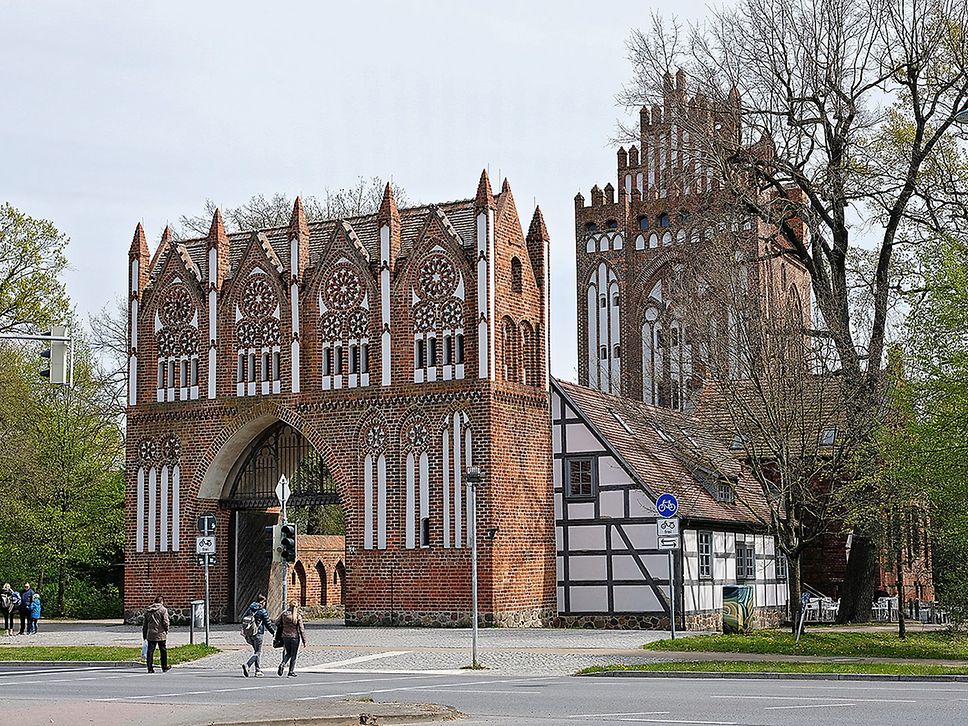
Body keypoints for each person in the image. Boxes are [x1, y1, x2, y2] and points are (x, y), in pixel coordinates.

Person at [241, 593, 275, 678]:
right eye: (264, 602)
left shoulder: (250, 608)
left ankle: (258, 670)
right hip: (258, 633)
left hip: (249, 633)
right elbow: (268, 624)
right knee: (258, 652)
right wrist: (273, 632)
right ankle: (248, 665)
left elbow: (243, 618)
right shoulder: (262, 611)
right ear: (262, 601)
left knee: (256, 651)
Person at [276, 601, 306, 678]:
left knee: (288, 653)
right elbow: (301, 629)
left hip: (285, 636)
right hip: (295, 636)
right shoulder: (297, 616)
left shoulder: (284, 614)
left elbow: (277, 622)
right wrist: (304, 640)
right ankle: (291, 671)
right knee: (294, 655)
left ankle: (283, 663)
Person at [142, 595, 171, 673]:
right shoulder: (163, 610)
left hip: (150, 633)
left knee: (150, 651)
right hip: (160, 633)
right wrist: (166, 629)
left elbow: (145, 624)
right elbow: (165, 622)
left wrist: (144, 634)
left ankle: (149, 668)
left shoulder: (148, 610)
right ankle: (164, 667)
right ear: (162, 601)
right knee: (163, 650)